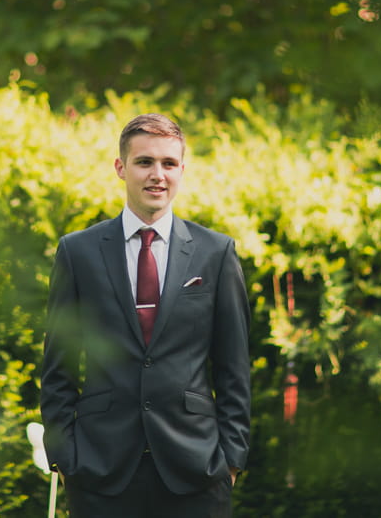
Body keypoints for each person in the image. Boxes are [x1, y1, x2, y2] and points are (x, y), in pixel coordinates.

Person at [40, 113, 251, 517]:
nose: (158, 175)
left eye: (169, 163)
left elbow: (234, 367)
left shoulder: (217, 253)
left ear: (182, 170)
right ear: (121, 168)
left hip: (197, 469)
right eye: (144, 162)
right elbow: (58, 367)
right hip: (99, 470)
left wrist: (231, 459)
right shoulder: (78, 252)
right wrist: (64, 457)